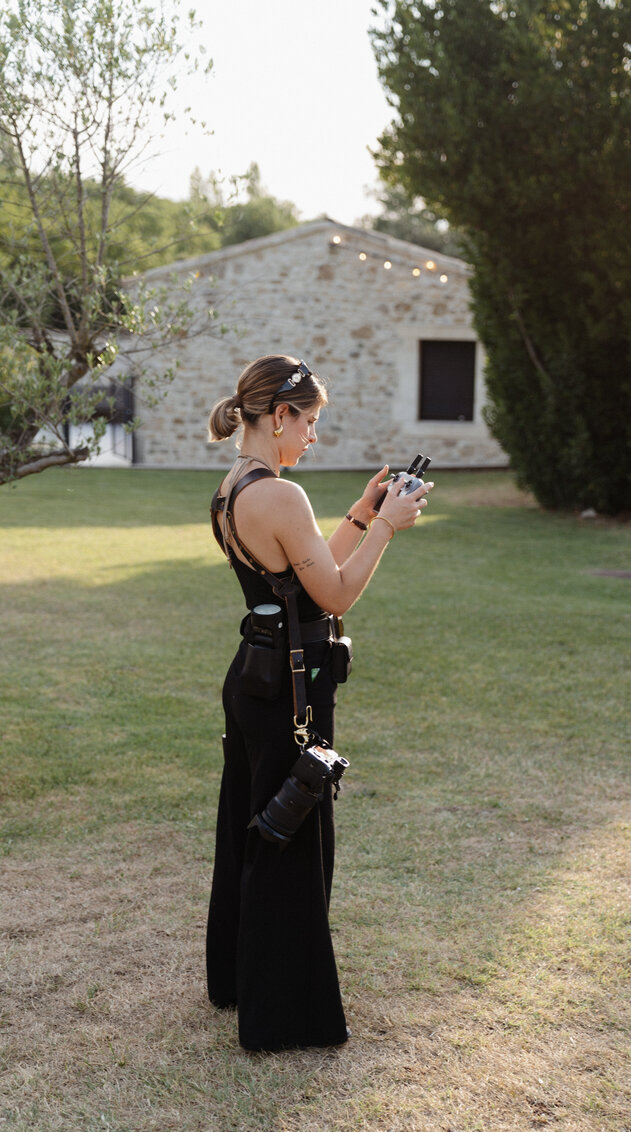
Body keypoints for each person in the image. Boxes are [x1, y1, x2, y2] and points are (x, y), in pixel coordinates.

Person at [205, 354, 433, 1052]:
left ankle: (240, 980)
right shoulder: (278, 494)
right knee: (290, 839)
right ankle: (286, 1015)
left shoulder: (234, 485)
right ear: (279, 417)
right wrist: (391, 527)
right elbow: (335, 595)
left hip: (259, 679)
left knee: (255, 826)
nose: (313, 438)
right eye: (310, 423)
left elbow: (304, 580)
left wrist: (363, 516)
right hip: (290, 694)